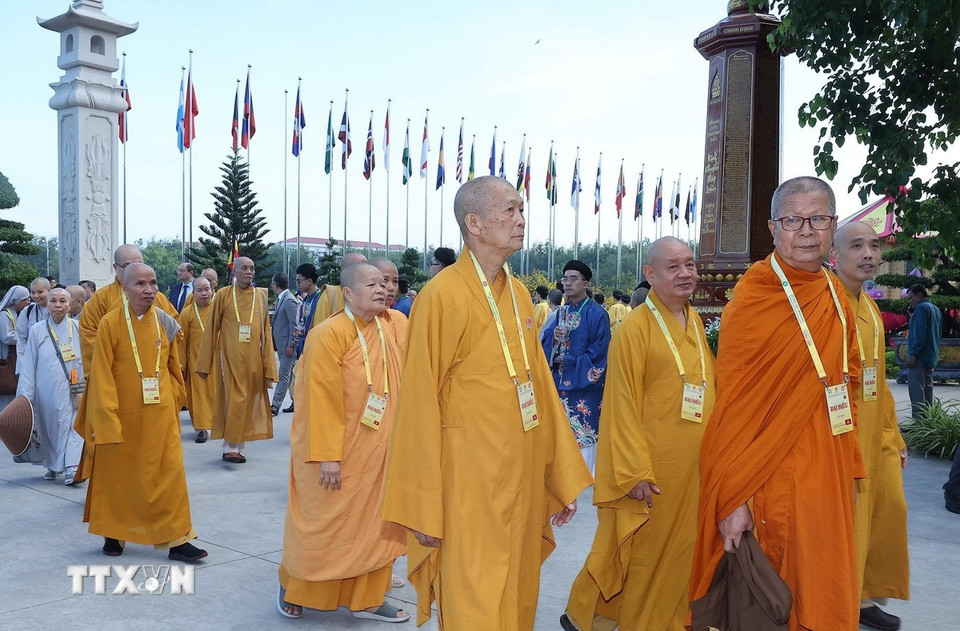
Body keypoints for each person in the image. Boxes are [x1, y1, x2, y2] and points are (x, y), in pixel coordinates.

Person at [381, 176, 592, 629]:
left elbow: (539, 385)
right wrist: (421, 503)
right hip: (467, 481)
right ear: (474, 223)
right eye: (511, 210)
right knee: (475, 595)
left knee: (518, 592)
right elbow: (417, 402)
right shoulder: (440, 296)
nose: (521, 220)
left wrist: (557, 472)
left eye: (521, 210)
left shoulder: (518, 296)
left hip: (520, 472)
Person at [690, 176, 864, 631]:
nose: (806, 230)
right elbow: (734, 409)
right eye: (793, 219)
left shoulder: (833, 294)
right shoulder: (754, 297)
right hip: (771, 484)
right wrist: (733, 499)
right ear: (772, 227)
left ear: (833, 224)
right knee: (778, 601)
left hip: (827, 475)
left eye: (819, 219)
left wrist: (850, 461)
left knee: (825, 594)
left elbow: (850, 383)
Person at [562, 237, 715, 631]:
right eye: (673, 266)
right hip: (652, 471)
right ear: (650, 274)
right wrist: (633, 471)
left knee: (678, 552)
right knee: (640, 551)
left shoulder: (694, 321)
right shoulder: (635, 328)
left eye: (690, 265)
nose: (685, 273)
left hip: (693, 466)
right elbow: (620, 405)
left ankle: (614, 616)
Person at [277, 263, 409, 623]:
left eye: (385, 284)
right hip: (337, 454)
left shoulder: (395, 325)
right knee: (323, 526)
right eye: (372, 284)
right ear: (348, 293)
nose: (383, 289)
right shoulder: (329, 334)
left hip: (382, 451)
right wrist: (327, 458)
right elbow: (316, 400)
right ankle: (296, 588)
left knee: (377, 528)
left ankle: (367, 598)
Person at [76, 262, 206, 562]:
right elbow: (102, 374)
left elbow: (174, 366)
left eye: (153, 283)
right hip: (120, 415)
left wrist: (174, 398)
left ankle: (178, 539)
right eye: (140, 284)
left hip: (159, 414)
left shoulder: (162, 320)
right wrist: (106, 418)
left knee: (169, 476)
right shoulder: (110, 323)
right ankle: (114, 533)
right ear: (125, 287)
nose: (149, 290)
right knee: (119, 477)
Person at [832, 221, 910, 631]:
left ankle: (861, 597)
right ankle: (840, 599)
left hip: (874, 433)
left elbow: (877, 379)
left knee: (884, 512)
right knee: (845, 520)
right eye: (856, 246)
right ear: (834, 256)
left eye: (874, 246)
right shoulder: (829, 306)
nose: (868, 254)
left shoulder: (872, 309)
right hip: (842, 434)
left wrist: (894, 436)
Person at [196, 257, 278, 464]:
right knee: (235, 401)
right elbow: (211, 330)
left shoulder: (260, 296)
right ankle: (230, 448)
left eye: (252, 268)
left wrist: (269, 365)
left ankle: (237, 447)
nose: (249, 272)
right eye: (244, 268)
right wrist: (204, 363)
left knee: (247, 403)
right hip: (230, 358)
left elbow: (266, 333)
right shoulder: (223, 295)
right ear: (235, 271)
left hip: (253, 361)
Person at [541, 260, 611, 473]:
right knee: (557, 441)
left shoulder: (597, 314)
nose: (568, 283)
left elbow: (600, 354)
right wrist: (552, 337)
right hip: (558, 385)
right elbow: (543, 343)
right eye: (565, 279)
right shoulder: (559, 313)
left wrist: (571, 362)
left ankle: (581, 488)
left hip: (584, 389)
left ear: (586, 283)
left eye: (574, 279)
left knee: (583, 441)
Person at [17, 287, 85, 484]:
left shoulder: (78, 327)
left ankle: (72, 467)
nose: (58, 305)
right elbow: (29, 364)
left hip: (75, 387)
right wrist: (25, 396)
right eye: (53, 301)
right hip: (46, 390)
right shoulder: (37, 330)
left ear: (70, 304)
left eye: (63, 301)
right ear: (47, 304)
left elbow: (87, 358)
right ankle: (53, 465)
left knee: (74, 426)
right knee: (50, 428)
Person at [79, 244, 178, 373]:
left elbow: (175, 334)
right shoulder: (101, 298)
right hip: (116, 369)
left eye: (138, 264)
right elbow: (88, 333)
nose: (135, 269)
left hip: (154, 368)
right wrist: (120, 356)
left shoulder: (157, 297)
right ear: (115, 267)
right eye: (127, 266)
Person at [176, 277, 215, 443]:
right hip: (196, 365)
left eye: (207, 289)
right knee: (198, 398)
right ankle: (200, 429)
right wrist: (181, 366)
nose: (204, 293)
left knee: (218, 396)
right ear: (194, 293)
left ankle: (218, 424)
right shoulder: (187, 313)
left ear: (212, 290)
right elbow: (181, 342)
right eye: (200, 290)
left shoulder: (219, 310)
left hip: (217, 363)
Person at [905, 284, 941, 420]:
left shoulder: (921, 308)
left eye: (911, 297)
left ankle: (919, 422)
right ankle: (928, 421)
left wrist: (913, 354)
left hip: (919, 356)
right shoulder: (935, 309)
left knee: (916, 389)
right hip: (931, 355)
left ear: (919, 295)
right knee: (927, 388)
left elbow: (920, 333)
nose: (910, 301)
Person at [270, 272, 299, 416]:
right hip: (282, 345)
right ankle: (296, 401)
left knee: (283, 376)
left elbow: (294, 324)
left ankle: (275, 405)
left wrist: (291, 344)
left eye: (272, 284)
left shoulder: (289, 300)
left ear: (276, 285)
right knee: (291, 376)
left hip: (288, 347)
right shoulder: (282, 299)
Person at [315, 252, 368, 322]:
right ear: (343, 271)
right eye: (358, 269)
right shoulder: (331, 294)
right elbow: (319, 327)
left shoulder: (371, 295)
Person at [0, 285, 30, 410]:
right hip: (6, 358)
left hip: (13, 357)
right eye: (26, 299)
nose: (28, 302)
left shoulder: (16, 314)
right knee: (7, 389)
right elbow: (7, 337)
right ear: (18, 300)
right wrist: (25, 338)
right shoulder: (4, 315)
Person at [16, 277, 51, 368]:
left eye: (40, 292)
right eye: (33, 292)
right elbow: (21, 338)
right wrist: (23, 363)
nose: (36, 296)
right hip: (31, 359)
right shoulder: (27, 311)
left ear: (49, 291)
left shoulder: (58, 310)